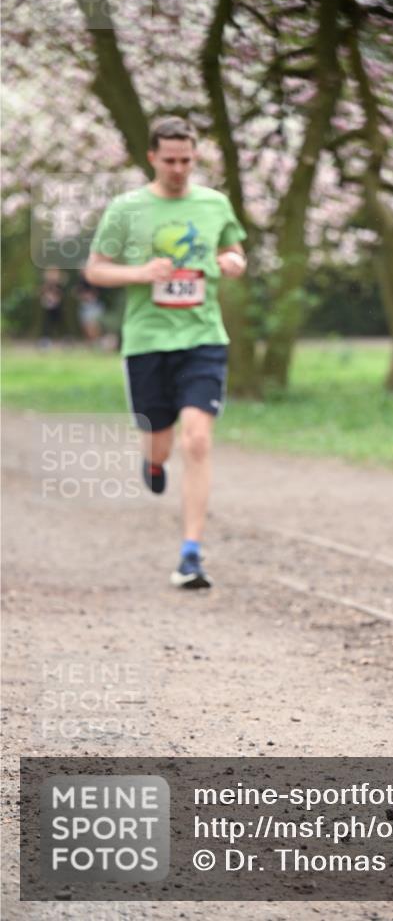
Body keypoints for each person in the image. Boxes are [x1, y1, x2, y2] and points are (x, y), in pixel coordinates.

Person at [85, 116, 247, 589]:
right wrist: (139, 274)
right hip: (147, 341)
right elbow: (96, 269)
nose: (179, 168)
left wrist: (232, 263)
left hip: (203, 338)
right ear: (153, 157)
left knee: (196, 440)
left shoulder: (215, 204)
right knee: (161, 439)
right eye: (170, 160)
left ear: (195, 157)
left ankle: (191, 553)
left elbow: (236, 253)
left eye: (187, 160)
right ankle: (153, 460)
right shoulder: (127, 208)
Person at [76, 275, 105, 344]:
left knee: (95, 323)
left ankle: (96, 341)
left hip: (94, 305)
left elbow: (99, 290)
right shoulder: (81, 282)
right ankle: (90, 341)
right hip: (85, 305)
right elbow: (78, 293)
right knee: (85, 324)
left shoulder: (95, 279)